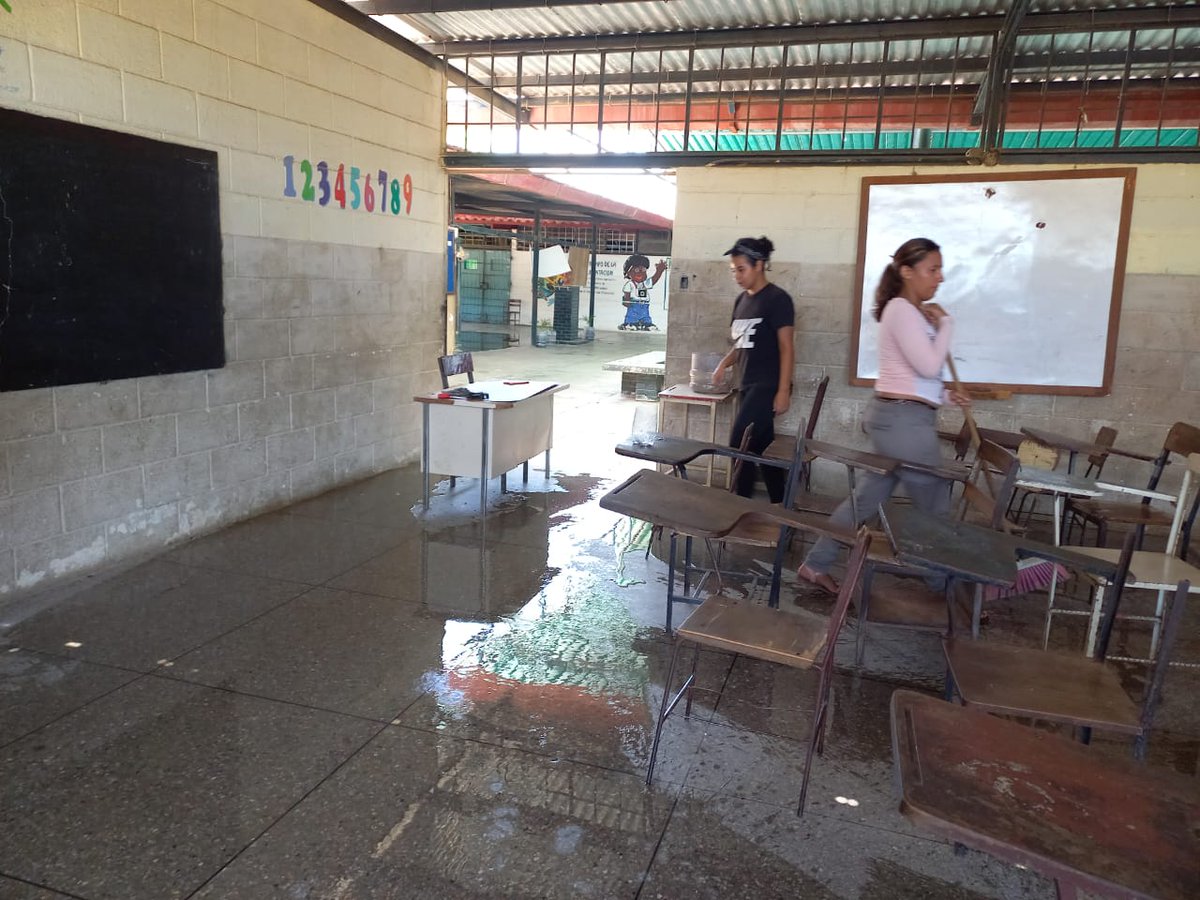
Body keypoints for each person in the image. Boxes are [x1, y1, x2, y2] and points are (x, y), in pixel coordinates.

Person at [797, 236, 969, 594]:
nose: (939, 278)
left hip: (901, 417)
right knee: (934, 508)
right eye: (932, 270)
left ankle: (815, 564)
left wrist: (945, 395)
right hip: (905, 424)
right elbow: (927, 364)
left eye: (941, 270)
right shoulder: (902, 310)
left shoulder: (910, 312)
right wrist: (947, 325)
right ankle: (949, 592)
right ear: (907, 271)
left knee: (865, 500)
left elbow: (914, 377)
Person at [713, 236, 795, 503]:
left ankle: (738, 504)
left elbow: (786, 347)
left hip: (766, 385)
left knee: (739, 444)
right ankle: (781, 504)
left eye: (741, 269)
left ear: (759, 265)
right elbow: (741, 345)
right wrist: (723, 364)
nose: (736, 275)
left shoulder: (778, 300)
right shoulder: (740, 301)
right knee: (761, 447)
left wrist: (783, 391)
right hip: (747, 384)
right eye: (733, 270)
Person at [619, 254, 668, 330]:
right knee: (632, 316)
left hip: (644, 305)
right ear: (628, 273)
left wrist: (659, 271)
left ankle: (647, 324)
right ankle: (630, 324)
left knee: (645, 317)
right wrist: (626, 301)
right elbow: (627, 294)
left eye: (643, 270)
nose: (640, 273)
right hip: (634, 305)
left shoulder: (644, 284)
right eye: (637, 270)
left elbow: (653, 280)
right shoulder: (630, 284)